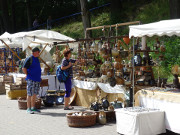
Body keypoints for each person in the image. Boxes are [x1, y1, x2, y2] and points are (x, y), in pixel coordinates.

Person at [22, 47, 41, 114]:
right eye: (38, 52)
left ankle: (33, 107)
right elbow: (23, 68)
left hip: (37, 79)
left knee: (35, 94)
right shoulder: (29, 58)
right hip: (31, 79)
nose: (39, 53)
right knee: (30, 94)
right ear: (34, 52)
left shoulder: (37, 59)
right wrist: (27, 74)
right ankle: (28, 108)